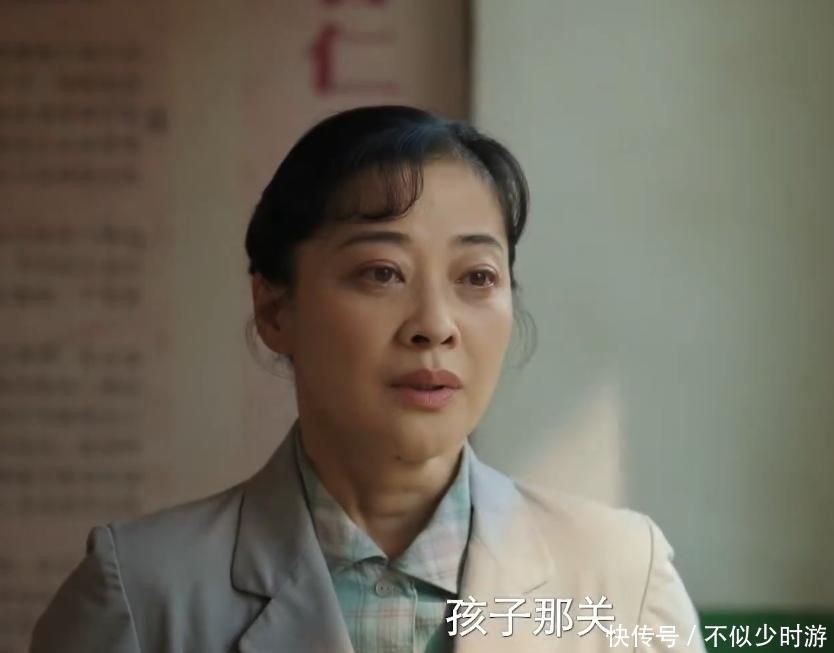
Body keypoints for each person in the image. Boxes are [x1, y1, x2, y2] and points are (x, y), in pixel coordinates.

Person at [30, 106, 706, 652]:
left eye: (477, 277)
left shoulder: (621, 576)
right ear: (275, 308)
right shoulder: (142, 593)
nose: (435, 325)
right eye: (382, 273)